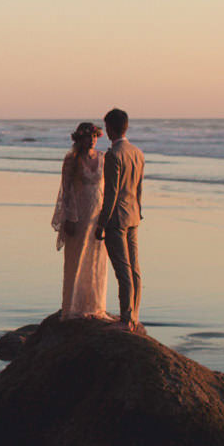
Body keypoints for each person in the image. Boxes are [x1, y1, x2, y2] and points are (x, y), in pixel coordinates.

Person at [50, 121, 109, 319]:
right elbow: (66, 192)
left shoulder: (103, 158)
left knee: (96, 258)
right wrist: (70, 217)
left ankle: (95, 305)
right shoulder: (71, 160)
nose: (91, 140)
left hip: (97, 213)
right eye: (87, 137)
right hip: (79, 213)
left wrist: (107, 214)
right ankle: (74, 306)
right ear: (79, 139)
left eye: (94, 137)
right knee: (77, 257)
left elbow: (107, 188)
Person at [95, 107, 145, 329]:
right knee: (134, 269)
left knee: (123, 270)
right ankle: (134, 314)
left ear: (110, 128)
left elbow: (111, 193)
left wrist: (101, 223)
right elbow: (139, 187)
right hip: (134, 214)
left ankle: (126, 319)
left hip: (117, 218)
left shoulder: (113, 155)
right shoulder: (137, 152)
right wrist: (139, 211)